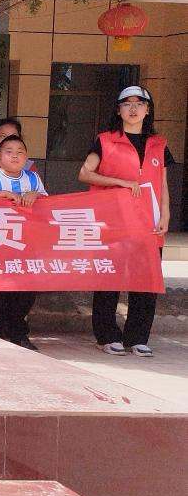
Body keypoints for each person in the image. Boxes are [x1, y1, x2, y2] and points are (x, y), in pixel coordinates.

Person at [79, 85, 170, 358]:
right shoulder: (105, 140)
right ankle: (106, 335)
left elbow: (163, 183)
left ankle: (138, 337)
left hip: (148, 222)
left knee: (146, 280)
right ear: (118, 110)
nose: (133, 108)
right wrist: (119, 182)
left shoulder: (159, 144)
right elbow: (85, 173)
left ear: (147, 110)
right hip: (113, 222)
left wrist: (165, 213)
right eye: (127, 103)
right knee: (109, 278)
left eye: (139, 103)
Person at [0, 134, 46, 351]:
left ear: (27, 157)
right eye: (9, 151)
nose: (15, 156)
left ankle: (18, 332)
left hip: (26, 242)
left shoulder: (33, 178)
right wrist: (0, 194)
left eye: (20, 152)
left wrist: (36, 195)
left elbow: (48, 203)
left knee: (26, 288)